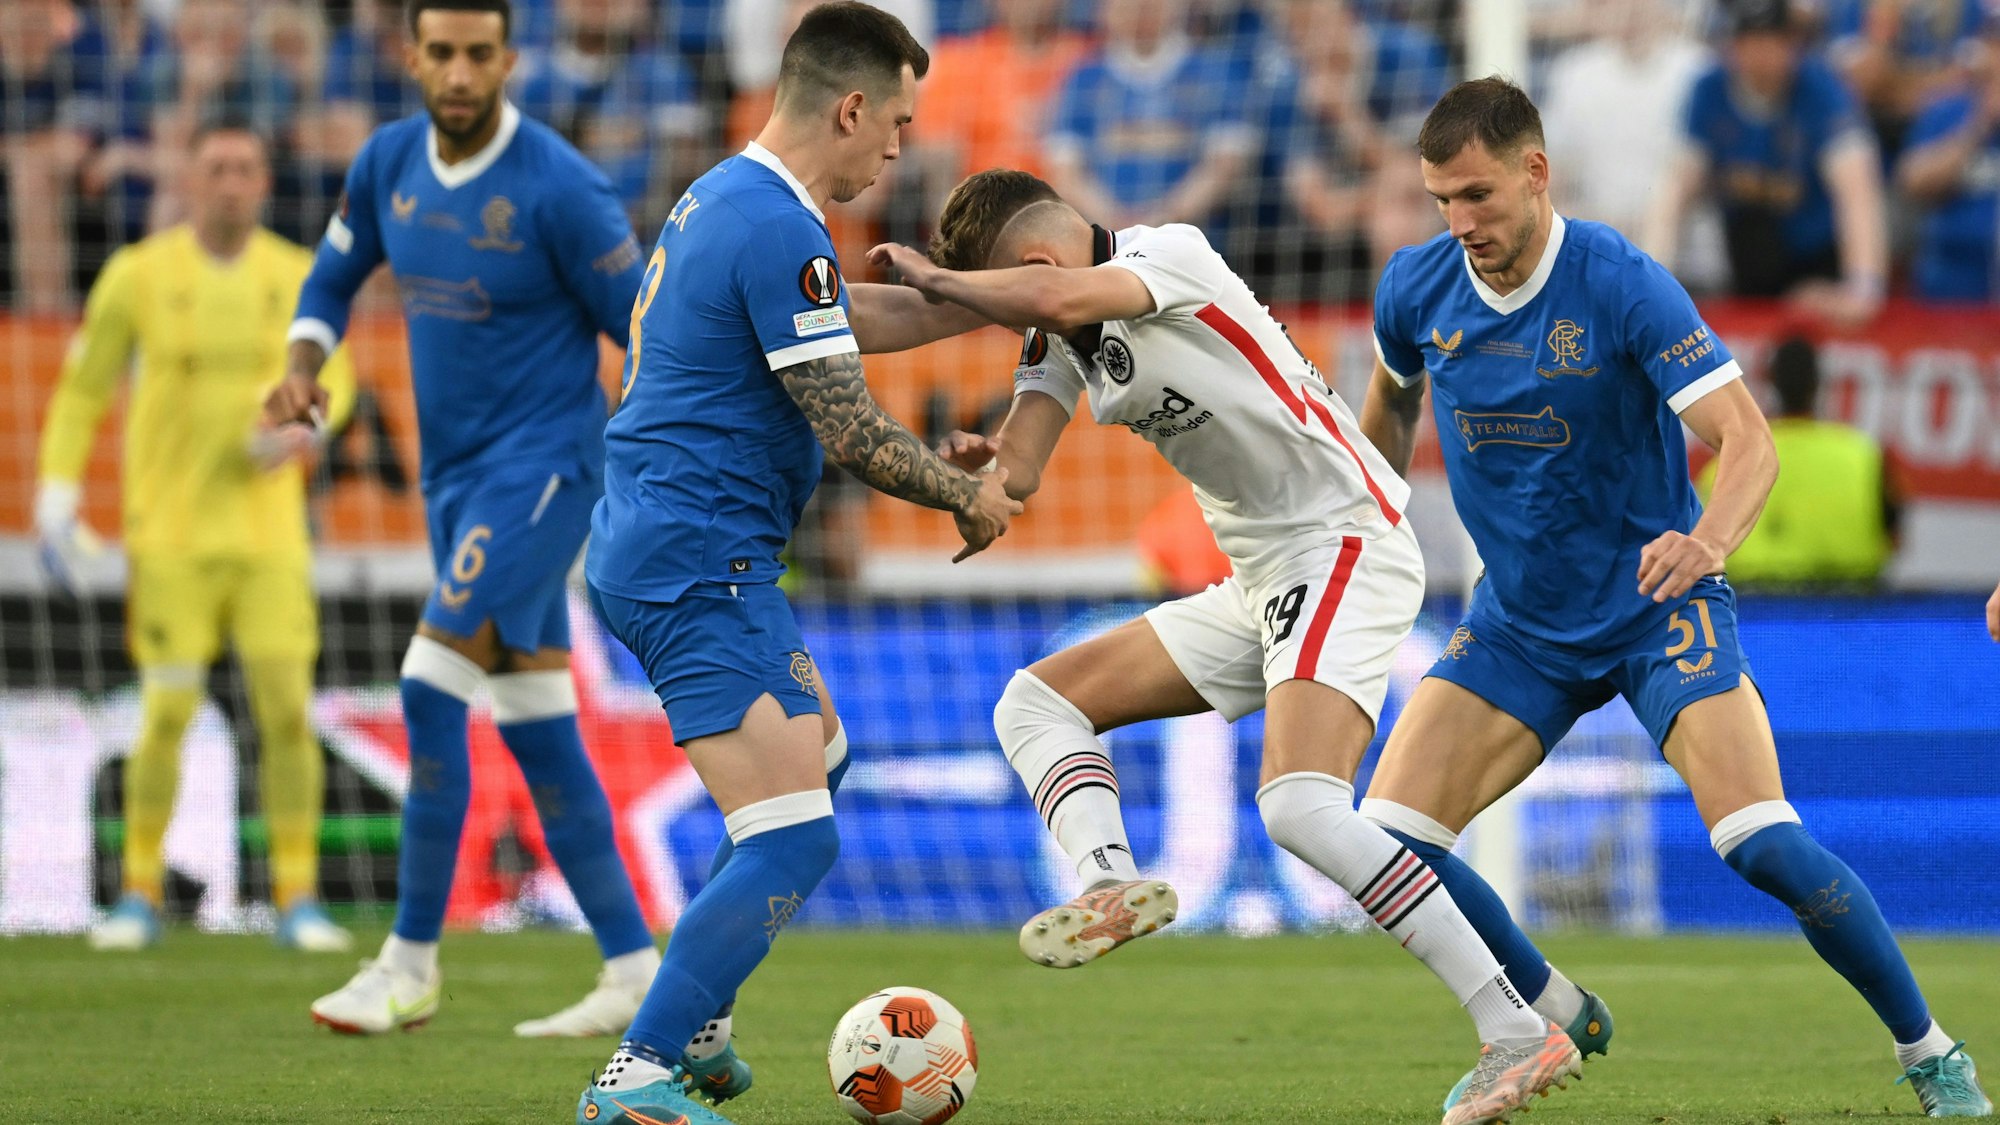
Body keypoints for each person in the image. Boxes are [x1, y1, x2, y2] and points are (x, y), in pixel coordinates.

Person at [869, 167, 1581, 1125]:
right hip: (1260, 580)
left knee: (1299, 804)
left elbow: (1057, 293)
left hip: (1343, 541)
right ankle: (1111, 882)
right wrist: (981, 475)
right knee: (1035, 701)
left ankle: (1516, 1027)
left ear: (1037, 260)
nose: (1012, 318)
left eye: (1004, 292)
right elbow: (1025, 459)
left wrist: (940, 282)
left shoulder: (1168, 254)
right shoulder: (1061, 331)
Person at [1358, 76, 1991, 1118]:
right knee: (1385, 841)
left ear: (1534, 172)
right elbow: (1386, 398)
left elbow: (1745, 439)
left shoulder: (1618, 280)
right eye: (1439, 201)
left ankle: (1930, 1053)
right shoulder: (1415, 288)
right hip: (1519, 623)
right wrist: (1370, 507)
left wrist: (1707, 541)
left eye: (1474, 195)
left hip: (1658, 606)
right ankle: (1552, 1005)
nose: (1458, 222)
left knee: (1759, 843)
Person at [573, 6, 1019, 1124]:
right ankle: (635, 1076)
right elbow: (853, 435)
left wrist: (973, 303)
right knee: (793, 837)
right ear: (852, 107)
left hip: (696, 548)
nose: (899, 151)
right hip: (691, 562)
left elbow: (842, 318)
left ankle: (701, 1012)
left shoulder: (738, 198)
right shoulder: (776, 224)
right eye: (899, 125)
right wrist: (969, 492)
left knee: (821, 759)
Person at [266, 0, 660, 1039]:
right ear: (411, 56)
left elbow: (648, 329)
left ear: (506, 60)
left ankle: (407, 962)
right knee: (536, 725)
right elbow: (333, 272)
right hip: (452, 485)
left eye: (477, 53)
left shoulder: (562, 189)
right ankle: (631, 968)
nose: (457, 72)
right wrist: (303, 365)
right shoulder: (388, 162)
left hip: (544, 475)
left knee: (426, 682)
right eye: (439, 52)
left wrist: (657, 447)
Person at [35, 121, 357, 954]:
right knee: (167, 711)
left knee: (288, 713)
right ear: (188, 175)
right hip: (170, 539)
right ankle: (139, 889)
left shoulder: (297, 276)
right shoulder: (139, 276)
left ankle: (296, 894)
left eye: (245, 167)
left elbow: (342, 375)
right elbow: (80, 388)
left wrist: (306, 424)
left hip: (269, 543)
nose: (230, 181)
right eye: (215, 166)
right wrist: (58, 493)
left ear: (263, 180)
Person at [1644, 0, 1888, 326]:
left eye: (1773, 42)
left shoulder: (1821, 91)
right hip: (1750, 255)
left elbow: (1857, 191)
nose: (1762, 55)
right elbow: (1675, 190)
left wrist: (1862, 291)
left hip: (1817, 254)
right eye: (1751, 42)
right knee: (1750, 232)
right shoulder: (1708, 91)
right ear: (1731, 46)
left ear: (1793, 45)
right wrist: (1650, 286)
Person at [1697, 337, 1902, 587]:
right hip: (1849, 607)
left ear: (1769, 381)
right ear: (1818, 383)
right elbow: (1895, 537)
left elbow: (1702, 548)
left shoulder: (1725, 461)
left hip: (1755, 611)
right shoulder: (1864, 454)